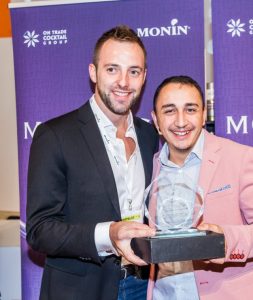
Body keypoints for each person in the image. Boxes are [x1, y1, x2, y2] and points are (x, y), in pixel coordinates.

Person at [26, 25, 159, 300]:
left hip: (142, 286)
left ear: (144, 77)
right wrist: (108, 234)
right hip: (81, 291)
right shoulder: (55, 135)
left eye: (133, 71)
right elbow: (39, 230)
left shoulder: (148, 136)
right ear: (93, 72)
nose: (123, 82)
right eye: (112, 69)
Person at [147, 75, 253, 300]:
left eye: (190, 109)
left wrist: (222, 240)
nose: (181, 121)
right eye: (169, 111)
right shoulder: (150, 166)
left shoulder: (241, 158)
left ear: (204, 115)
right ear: (156, 120)